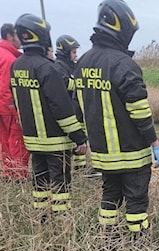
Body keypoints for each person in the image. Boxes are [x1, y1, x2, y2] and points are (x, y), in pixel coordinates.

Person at [74, 0, 159, 241]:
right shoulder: (124, 65)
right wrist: (154, 143)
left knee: (110, 195)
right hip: (131, 153)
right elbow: (139, 110)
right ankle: (139, 243)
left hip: (103, 154)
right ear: (121, 29)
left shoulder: (82, 62)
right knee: (136, 200)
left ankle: (108, 240)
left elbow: (78, 106)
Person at [11, 13, 87, 218]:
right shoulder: (47, 68)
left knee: (40, 182)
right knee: (60, 184)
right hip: (55, 142)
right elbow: (61, 108)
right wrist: (79, 137)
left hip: (33, 141)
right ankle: (61, 222)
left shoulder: (17, 66)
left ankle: (41, 218)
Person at [54, 35, 91, 175]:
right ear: (65, 52)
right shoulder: (58, 66)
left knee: (81, 138)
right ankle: (73, 169)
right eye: (73, 52)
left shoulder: (72, 66)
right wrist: (80, 84)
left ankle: (80, 169)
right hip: (69, 110)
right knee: (73, 141)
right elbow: (64, 84)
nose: (76, 55)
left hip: (77, 110)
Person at [0, 23, 30, 182]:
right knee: (17, 140)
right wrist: (15, 110)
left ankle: (8, 172)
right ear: (10, 36)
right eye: (18, 36)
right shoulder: (10, 59)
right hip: (7, 107)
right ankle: (19, 175)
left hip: (2, 107)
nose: (21, 40)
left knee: (5, 141)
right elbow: (6, 88)